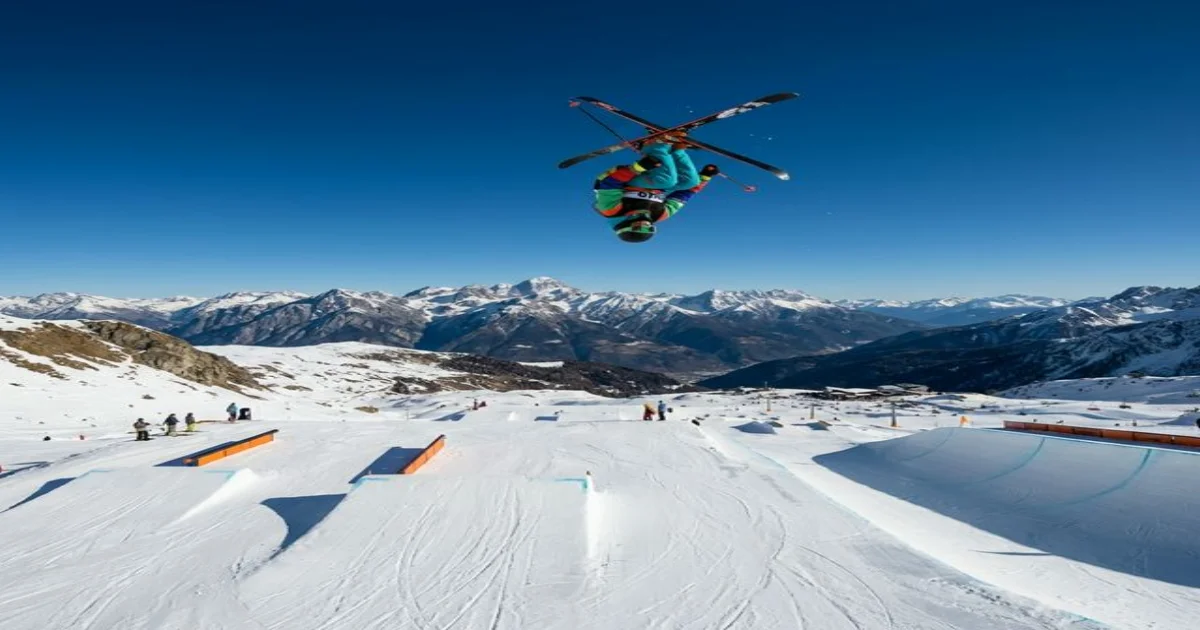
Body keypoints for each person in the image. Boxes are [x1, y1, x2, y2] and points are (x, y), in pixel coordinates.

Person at [593, 138, 719, 243]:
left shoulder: (611, 210)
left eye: (638, 227)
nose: (644, 223)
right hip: (656, 183)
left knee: (666, 181)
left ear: (624, 225)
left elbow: (608, 184)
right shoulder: (659, 214)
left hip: (622, 178)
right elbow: (684, 195)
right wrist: (704, 178)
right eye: (649, 228)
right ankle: (677, 149)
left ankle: (655, 143)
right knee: (689, 182)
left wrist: (637, 168)